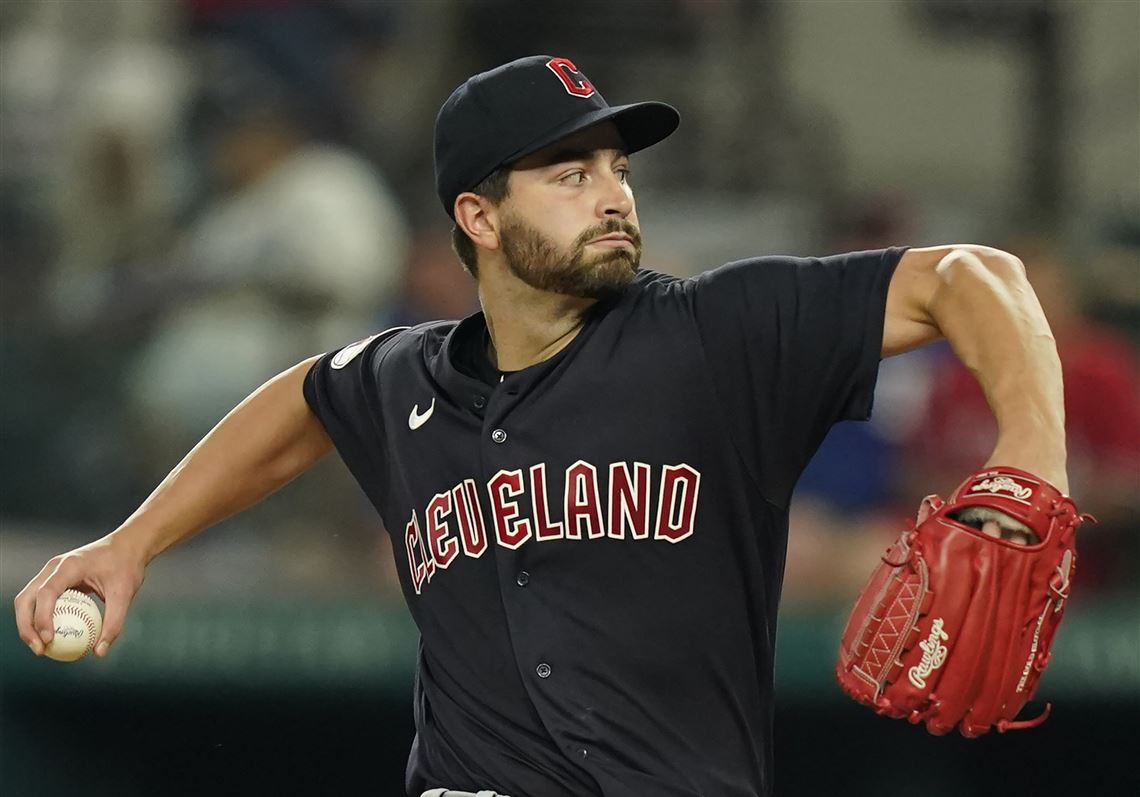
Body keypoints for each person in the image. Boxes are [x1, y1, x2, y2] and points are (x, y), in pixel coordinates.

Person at [15, 56, 1071, 797]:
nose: (612, 194)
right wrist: (129, 543)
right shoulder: (403, 379)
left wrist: (1029, 456)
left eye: (618, 167)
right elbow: (303, 398)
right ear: (478, 217)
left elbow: (977, 277)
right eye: (570, 174)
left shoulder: (718, 333)